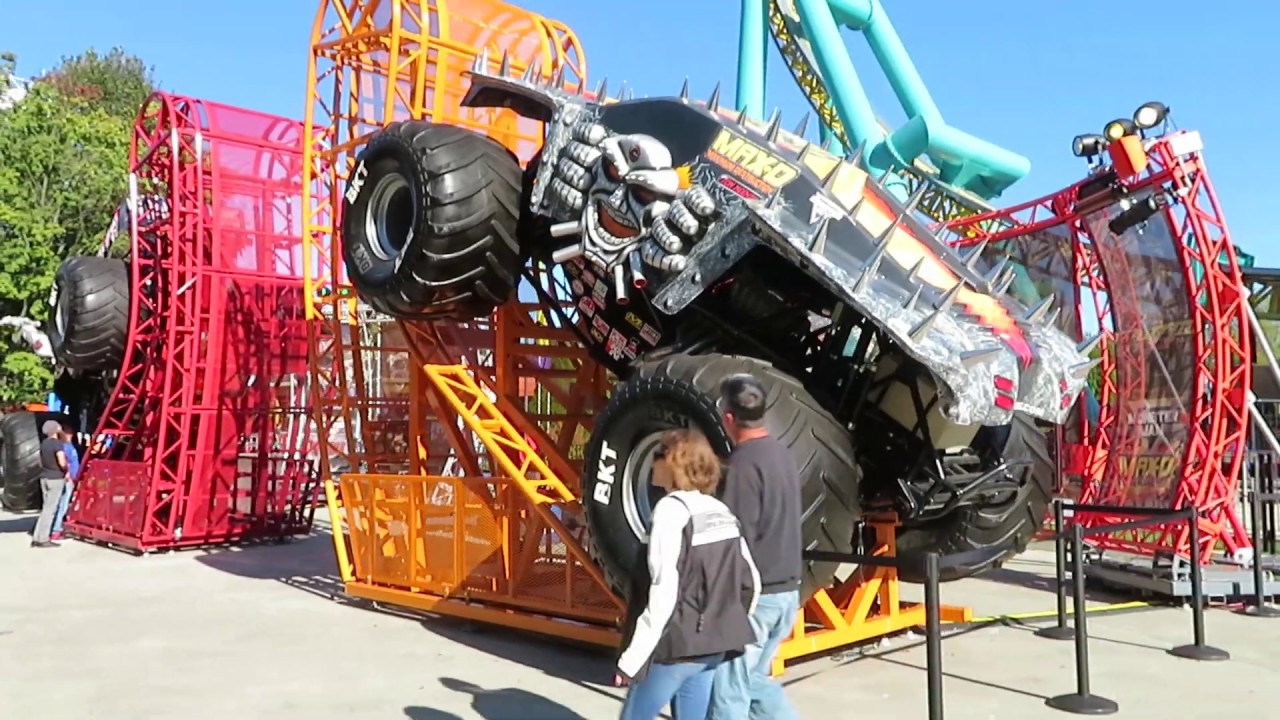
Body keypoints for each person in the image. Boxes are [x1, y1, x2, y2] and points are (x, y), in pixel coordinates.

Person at [614, 429, 761, 720]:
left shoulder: (670, 511)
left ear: (672, 463)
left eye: (658, 455)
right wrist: (725, 622)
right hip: (712, 645)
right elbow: (751, 582)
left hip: (677, 647)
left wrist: (631, 660)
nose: (654, 463)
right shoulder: (720, 511)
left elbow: (663, 591)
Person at [708, 373, 804, 720]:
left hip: (756, 597)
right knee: (753, 680)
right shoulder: (783, 455)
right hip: (787, 590)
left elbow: (735, 536)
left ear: (729, 418)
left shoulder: (742, 465)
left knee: (728, 690)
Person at [32, 419, 70, 548]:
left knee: (45, 509)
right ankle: (43, 539)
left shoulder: (44, 444)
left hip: (45, 477)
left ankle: (37, 536)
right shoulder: (57, 444)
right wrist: (66, 469)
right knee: (51, 509)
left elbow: (40, 461)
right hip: (55, 478)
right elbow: (62, 461)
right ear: (55, 429)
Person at [50, 426, 82, 541]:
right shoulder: (64, 447)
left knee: (64, 503)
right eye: (69, 433)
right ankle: (56, 530)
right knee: (62, 504)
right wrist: (68, 474)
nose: (71, 435)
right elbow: (64, 461)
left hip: (72, 478)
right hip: (68, 479)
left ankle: (58, 526)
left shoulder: (69, 446)